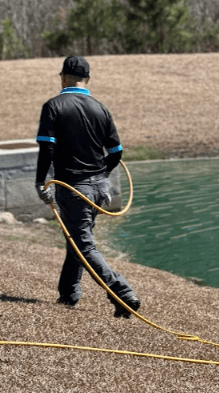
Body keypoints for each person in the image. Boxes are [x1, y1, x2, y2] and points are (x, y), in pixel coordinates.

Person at [34, 56, 140, 318]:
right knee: (77, 239)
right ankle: (68, 294)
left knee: (83, 244)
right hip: (98, 189)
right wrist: (100, 173)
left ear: (62, 77)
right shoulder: (100, 108)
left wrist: (40, 181)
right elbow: (116, 152)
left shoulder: (53, 106)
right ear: (88, 79)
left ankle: (122, 293)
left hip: (73, 187)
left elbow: (47, 148)